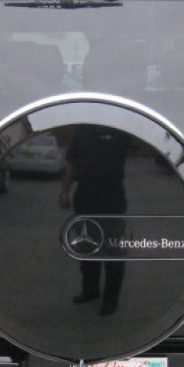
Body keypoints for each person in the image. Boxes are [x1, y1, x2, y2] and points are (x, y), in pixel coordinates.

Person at [59, 125, 129, 315]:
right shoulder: (82, 132)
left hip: (112, 200)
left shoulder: (121, 131)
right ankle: (90, 291)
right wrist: (64, 192)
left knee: (113, 252)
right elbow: (70, 164)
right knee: (87, 248)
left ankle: (110, 300)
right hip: (85, 198)